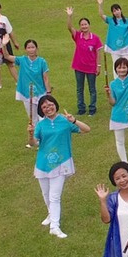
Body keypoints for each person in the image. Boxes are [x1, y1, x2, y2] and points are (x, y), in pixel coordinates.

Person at [32, 94, 90, 238]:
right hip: (42, 164)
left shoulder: (65, 121)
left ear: (55, 105)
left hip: (61, 163)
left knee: (55, 196)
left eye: (50, 104)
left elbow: (86, 129)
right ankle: (51, 214)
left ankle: (54, 226)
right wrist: (29, 134)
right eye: (44, 107)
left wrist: (74, 120)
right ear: (41, 110)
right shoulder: (40, 125)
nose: (48, 108)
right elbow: (34, 143)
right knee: (46, 194)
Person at [66, 7, 104, 116]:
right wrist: (69, 16)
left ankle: (92, 108)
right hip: (79, 67)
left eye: (85, 24)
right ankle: (81, 108)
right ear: (80, 27)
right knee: (79, 88)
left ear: (89, 25)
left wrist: (99, 66)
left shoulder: (95, 38)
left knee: (92, 89)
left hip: (91, 68)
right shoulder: (78, 36)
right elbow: (69, 27)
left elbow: (98, 53)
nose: (84, 26)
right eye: (82, 25)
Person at [13, 39, 51, 148]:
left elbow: (46, 78)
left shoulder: (42, 62)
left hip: (40, 93)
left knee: (43, 117)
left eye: (33, 47)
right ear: (25, 49)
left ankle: (44, 138)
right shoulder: (22, 60)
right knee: (32, 118)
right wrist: (4, 46)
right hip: (27, 94)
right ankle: (34, 139)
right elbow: (7, 57)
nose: (31, 49)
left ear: (36, 48)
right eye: (28, 47)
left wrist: (48, 93)